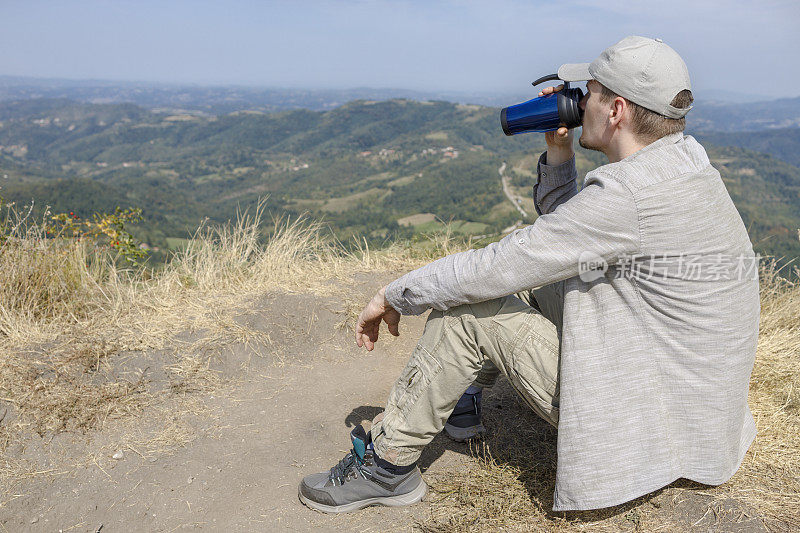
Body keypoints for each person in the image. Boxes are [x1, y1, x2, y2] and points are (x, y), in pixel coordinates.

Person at [298, 36, 760, 514]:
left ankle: (385, 468)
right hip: (693, 410)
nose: (578, 102)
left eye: (590, 92)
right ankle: (455, 392)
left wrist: (394, 293)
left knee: (471, 311)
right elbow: (570, 240)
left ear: (617, 109)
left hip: (641, 422)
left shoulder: (629, 197)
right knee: (548, 273)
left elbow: (499, 266)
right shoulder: (685, 162)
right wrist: (559, 154)